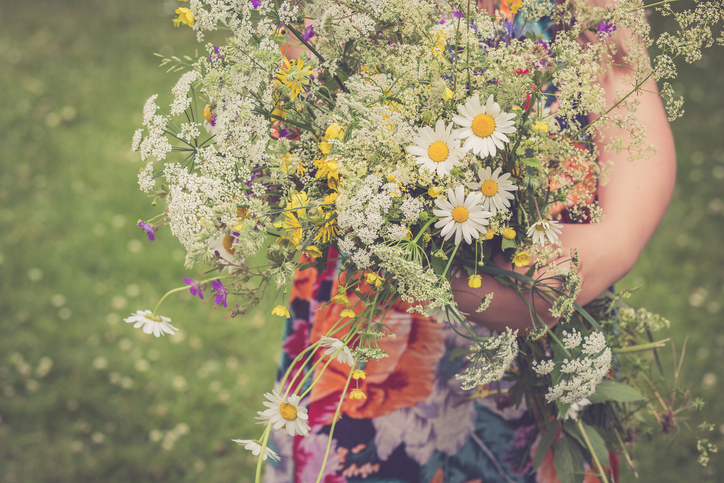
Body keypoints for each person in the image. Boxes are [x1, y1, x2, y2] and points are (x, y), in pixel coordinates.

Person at [265, 0, 676, 480]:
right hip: (377, 332)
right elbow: (299, 126)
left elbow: (628, 90)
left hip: (546, 344)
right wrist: (434, 277)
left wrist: (616, 241)